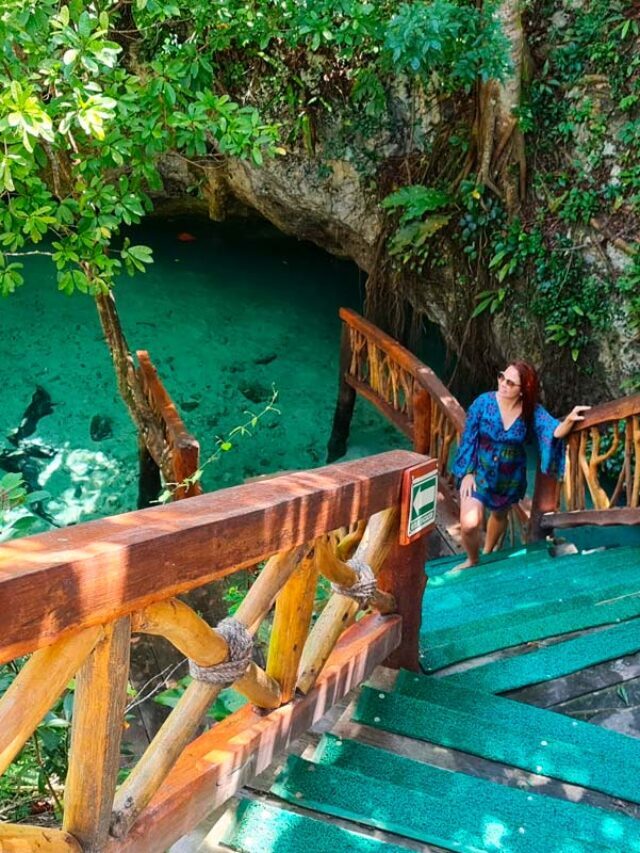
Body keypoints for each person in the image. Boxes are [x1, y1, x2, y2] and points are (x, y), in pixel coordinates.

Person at [452, 361, 590, 569]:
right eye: (501, 377)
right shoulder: (483, 403)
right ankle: (472, 560)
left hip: (509, 477)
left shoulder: (531, 411)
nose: (503, 384)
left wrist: (569, 420)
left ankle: (488, 551)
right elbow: (468, 438)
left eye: (510, 382)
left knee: (499, 514)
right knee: (470, 524)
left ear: (523, 390)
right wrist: (467, 473)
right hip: (480, 471)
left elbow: (553, 431)